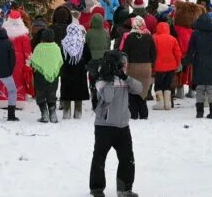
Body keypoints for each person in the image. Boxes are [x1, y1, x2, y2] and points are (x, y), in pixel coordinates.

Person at [89, 50, 141, 197]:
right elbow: (108, 97)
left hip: (123, 126)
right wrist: (110, 79)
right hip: (104, 126)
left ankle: (125, 189)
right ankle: (97, 188)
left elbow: (139, 89)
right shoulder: (101, 80)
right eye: (124, 63)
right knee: (99, 157)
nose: (126, 65)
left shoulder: (125, 79)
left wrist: (125, 77)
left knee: (127, 158)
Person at [184, 12, 212, 119]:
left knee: (200, 88)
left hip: (199, 61)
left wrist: (188, 61)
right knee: (211, 89)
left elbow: (191, 49)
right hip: (211, 62)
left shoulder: (195, 34)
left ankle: (199, 112)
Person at [119, 16, 155, 120]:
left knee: (132, 90)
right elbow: (154, 54)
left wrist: (124, 66)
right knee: (143, 90)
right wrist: (151, 64)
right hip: (146, 67)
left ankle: (133, 113)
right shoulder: (149, 37)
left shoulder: (130, 37)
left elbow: (124, 53)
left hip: (133, 67)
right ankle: (144, 114)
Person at [59, 16, 91, 119]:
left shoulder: (64, 43)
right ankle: (78, 113)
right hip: (80, 71)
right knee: (79, 94)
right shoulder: (83, 43)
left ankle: (66, 113)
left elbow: (61, 57)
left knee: (67, 93)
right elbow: (89, 57)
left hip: (67, 71)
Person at [29, 28, 63, 123]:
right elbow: (60, 61)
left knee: (40, 96)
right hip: (53, 76)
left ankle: (44, 114)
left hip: (40, 76)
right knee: (52, 95)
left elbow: (33, 62)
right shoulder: (56, 47)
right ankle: (53, 115)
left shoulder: (38, 47)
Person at [152, 21, 182, 111]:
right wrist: (177, 64)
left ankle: (160, 103)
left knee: (158, 85)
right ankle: (168, 103)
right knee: (167, 84)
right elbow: (178, 53)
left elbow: (153, 53)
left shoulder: (155, 38)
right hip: (171, 66)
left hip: (159, 66)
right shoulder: (173, 39)